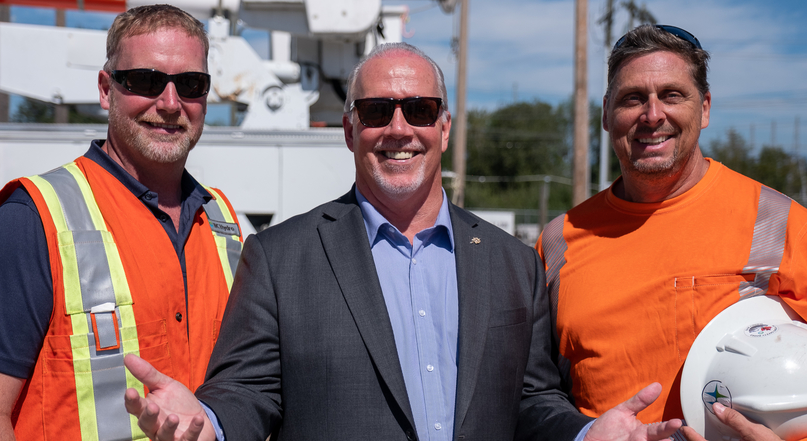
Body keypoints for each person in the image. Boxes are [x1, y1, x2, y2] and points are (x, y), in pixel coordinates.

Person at [121, 42, 683, 441]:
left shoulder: (515, 263)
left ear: (443, 127)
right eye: (375, 111)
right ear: (349, 130)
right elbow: (248, 392)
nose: (398, 129)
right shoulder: (279, 258)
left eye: (418, 110)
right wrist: (208, 424)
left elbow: (533, 402)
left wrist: (586, 434)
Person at [0, 5, 243, 441]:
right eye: (145, 80)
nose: (170, 103)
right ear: (106, 90)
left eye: (190, 84)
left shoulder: (223, 223)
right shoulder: (32, 220)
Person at [536, 24, 807, 441]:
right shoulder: (557, 242)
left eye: (672, 95)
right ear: (607, 113)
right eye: (632, 99)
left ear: (705, 108)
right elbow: (536, 393)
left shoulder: (779, 222)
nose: (652, 115)